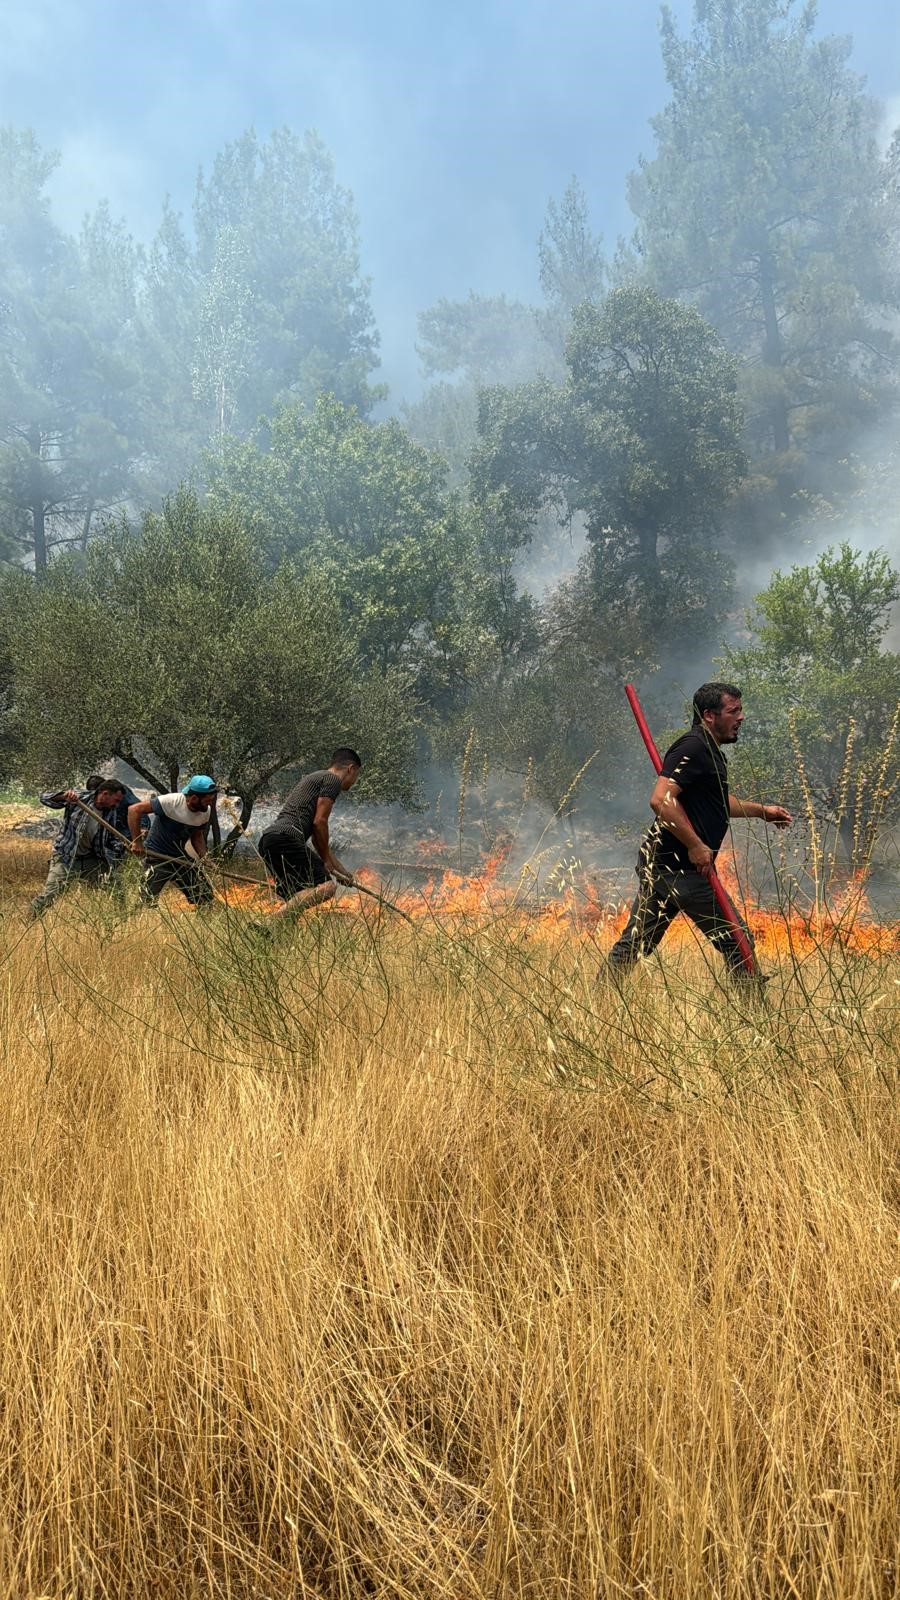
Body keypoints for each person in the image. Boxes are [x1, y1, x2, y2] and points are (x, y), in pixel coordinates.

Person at [608, 683, 792, 982]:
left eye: (740, 710)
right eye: (734, 711)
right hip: (682, 869)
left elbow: (716, 802)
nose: (741, 717)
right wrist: (694, 845)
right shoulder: (693, 747)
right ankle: (756, 1017)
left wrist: (762, 811)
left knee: (635, 945)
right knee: (738, 942)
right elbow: (661, 800)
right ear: (709, 715)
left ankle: (599, 999)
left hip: (663, 864)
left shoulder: (710, 751)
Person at [258, 748, 362, 916]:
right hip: (286, 838)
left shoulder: (317, 777)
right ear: (351, 769)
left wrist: (343, 873)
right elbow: (319, 822)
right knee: (327, 887)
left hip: (270, 840)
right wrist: (326, 862)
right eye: (357, 775)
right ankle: (268, 922)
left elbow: (319, 842)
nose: (354, 781)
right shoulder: (332, 780)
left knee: (297, 897)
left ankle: (275, 936)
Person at [30, 779, 127, 917]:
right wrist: (64, 796)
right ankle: (29, 921)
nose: (117, 804)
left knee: (117, 890)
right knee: (50, 895)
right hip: (66, 857)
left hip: (91, 859)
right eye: (116, 800)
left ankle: (121, 922)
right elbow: (44, 798)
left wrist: (125, 846)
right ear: (105, 794)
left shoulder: (111, 812)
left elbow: (110, 838)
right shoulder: (79, 798)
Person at [127, 775, 219, 907]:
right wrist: (137, 842)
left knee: (205, 898)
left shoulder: (205, 811)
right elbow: (134, 810)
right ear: (194, 798)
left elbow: (197, 837)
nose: (209, 803)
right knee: (146, 902)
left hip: (180, 859)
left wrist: (205, 859)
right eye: (207, 800)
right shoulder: (170, 801)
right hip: (156, 857)